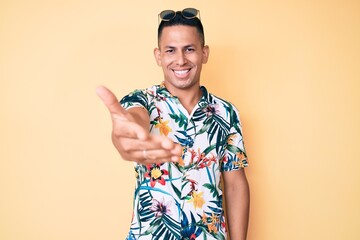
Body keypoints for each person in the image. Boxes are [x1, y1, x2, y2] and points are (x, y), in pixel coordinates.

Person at [96, 8, 250, 240]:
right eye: (171, 51)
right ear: (159, 56)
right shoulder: (142, 101)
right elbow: (132, 120)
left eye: (189, 49)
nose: (180, 60)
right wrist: (126, 132)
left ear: (204, 53)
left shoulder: (226, 113)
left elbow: (236, 185)